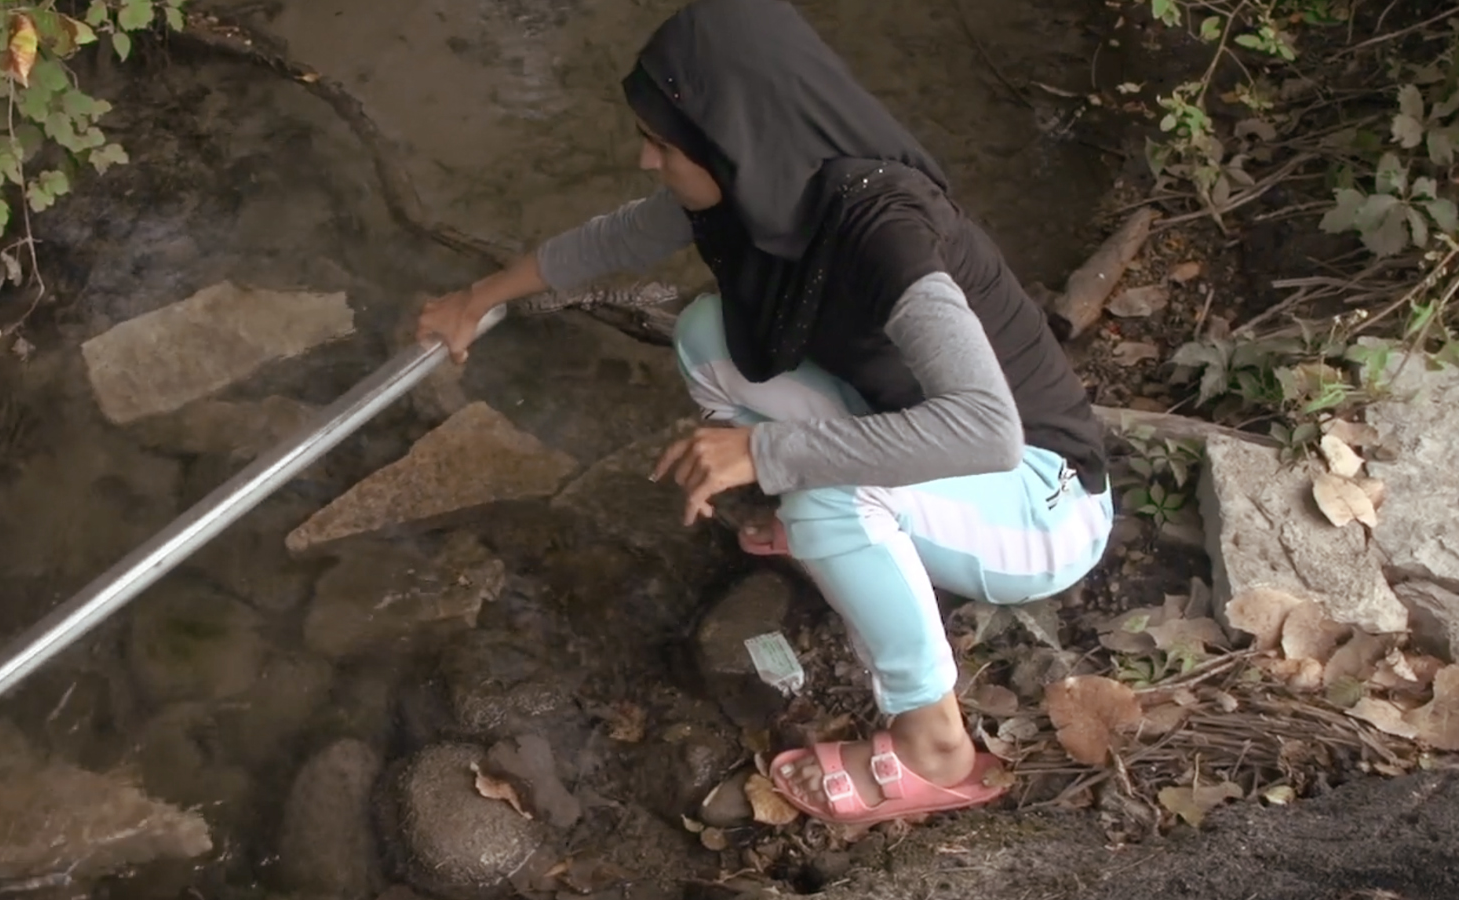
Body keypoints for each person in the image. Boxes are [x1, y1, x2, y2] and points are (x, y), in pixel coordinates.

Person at [415, 0, 1113, 828]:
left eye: (662, 145)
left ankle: (936, 749)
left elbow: (989, 433)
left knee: (828, 493)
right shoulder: (764, 181)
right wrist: (475, 298)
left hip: (1043, 505)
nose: (646, 160)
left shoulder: (885, 230)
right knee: (709, 333)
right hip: (946, 454)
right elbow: (612, 242)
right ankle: (854, 545)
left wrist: (767, 454)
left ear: (727, 140)